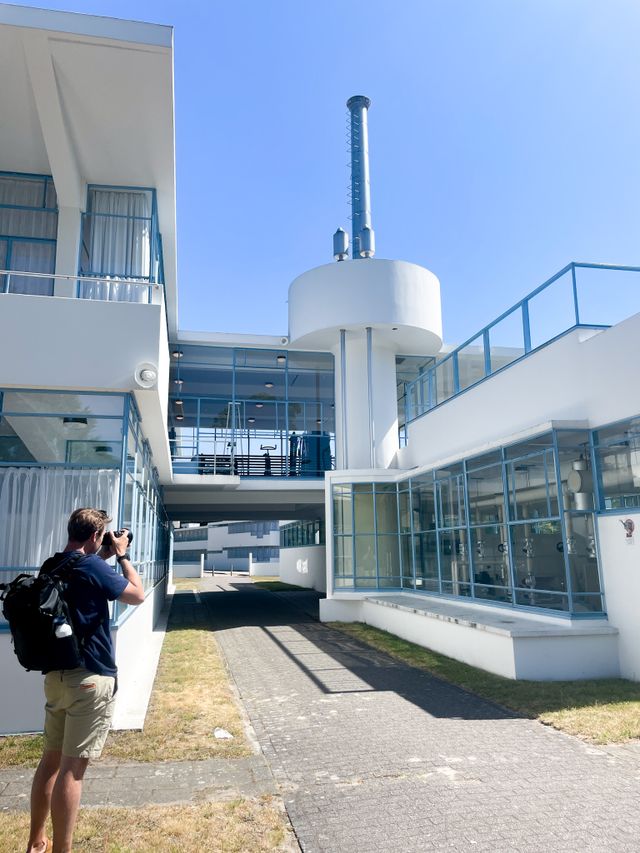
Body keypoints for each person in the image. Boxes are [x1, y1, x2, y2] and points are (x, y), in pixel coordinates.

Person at [26, 508, 145, 853]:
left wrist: (102, 554)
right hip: (90, 677)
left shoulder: (51, 565)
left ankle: (36, 841)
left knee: (50, 759)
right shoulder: (92, 566)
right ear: (95, 535)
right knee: (72, 769)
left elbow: (82, 578)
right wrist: (121, 556)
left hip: (56, 677)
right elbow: (136, 594)